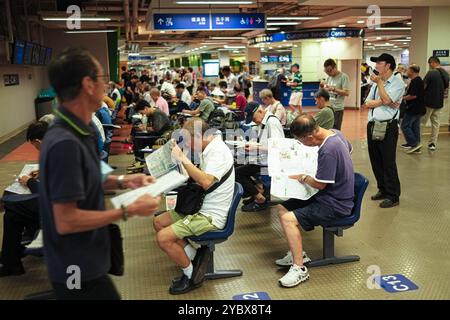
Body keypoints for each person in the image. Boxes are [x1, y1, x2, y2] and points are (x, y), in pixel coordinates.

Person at [40, 48, 161, 300]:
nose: (106, 85)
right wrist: (129, 210)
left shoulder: (80, 129)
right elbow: (66, 220)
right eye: (101, 78)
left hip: (89, 258)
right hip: (75, 268)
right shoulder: (64, 142)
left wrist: (125, 180)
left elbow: (90, 175)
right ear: (87, 84)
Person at [153, 118, 235, 294]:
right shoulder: (209, 149)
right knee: (159, 222)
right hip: (200, 206)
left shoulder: (217, 152)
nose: (187, 145)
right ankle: (194, 257)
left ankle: (191, 276)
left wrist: (182, 158)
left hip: (210, 216)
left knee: (163, 237)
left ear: (198, 136)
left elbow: (205, 181)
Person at [276, 114, 354, 288]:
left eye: (302, 142)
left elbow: (319, 184)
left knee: (288, 219)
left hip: (335, 204)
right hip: (330, 196)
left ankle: (299, 269)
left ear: (310, 136)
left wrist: (303, 176)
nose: (303, 145)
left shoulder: (328, 150)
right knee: (282, 208)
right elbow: (349, 149)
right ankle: (298, 253)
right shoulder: (336, 133)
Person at [0, 121, 47, 277]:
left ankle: (11, 260)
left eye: (35, 146)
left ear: (38, 141)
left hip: (58, 210)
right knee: (13, 215)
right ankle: (12, 256)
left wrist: (29, 181)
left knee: (12, 206)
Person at [363, 53, 405, 209]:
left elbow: (388, 100)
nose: (376, 66)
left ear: (388, 65)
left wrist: (380, 85)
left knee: (388, 161)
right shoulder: (375, 84)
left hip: (388, 126)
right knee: (376, 160)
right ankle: (383, 189)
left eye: (379, 63)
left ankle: (393, 195)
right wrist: (383, 101)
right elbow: (367, 103)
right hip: (373, 124)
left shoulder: (397, 83)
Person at [236, 105, 285, 212]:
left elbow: (279, 148)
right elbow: (262, 142)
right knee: (238, 166)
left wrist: (256, 147)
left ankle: (260, 199)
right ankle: (257, 193)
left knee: (237, 174)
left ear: (260, 111)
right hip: (262, 160)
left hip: (270, 164)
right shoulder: (262, 122)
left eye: (254, 118)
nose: (254, 121)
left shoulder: (272, 123)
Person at [421, 56, 449, 151]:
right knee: (436, 124)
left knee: (421, 122)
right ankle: (432, 143)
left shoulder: (431, 73)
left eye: (430, 64)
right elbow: (446, 87)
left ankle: (417, 142)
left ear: (432, 63)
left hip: (428, 102)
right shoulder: (446, 73)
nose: (429, 66)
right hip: (439, 102)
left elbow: (423, 86)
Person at [401, 64, 426, 154]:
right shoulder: (417, 80)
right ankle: (416, 146)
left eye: (408, 70)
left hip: (414, 108)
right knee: (415, 127)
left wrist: (402, 98)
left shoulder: (416, 81)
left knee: (405, 126)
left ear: (412, 71)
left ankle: (414, 143)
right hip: (418, 108)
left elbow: (413, 95)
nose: (406, 71)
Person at [320, 59, 350, 130]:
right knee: (327, 129)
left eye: (329, 70)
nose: (328, 73)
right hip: (328, 108)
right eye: (326, 71)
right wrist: (322, 86)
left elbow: (347, 92)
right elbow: (325, 91)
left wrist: (333, 89)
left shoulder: (343, 77)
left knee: (335, 130)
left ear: (335, 67)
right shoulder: (329, 77)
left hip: (337, 109)